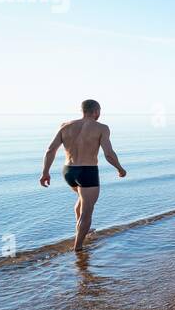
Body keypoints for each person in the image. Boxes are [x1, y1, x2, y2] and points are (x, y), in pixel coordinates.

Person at [40, 99, 127, 251]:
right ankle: (78, 248)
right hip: (87, 172)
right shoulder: (102, 128)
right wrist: (120, 168)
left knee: (81, 200)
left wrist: (45, 172)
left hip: (69, 171)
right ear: (96, 111)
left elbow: (50, 150)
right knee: (87, 211)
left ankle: (84, 231)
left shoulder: (65, 126)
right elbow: (109, 154)